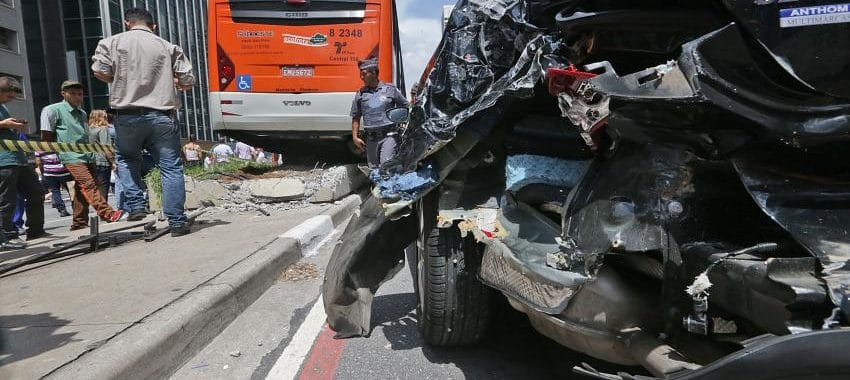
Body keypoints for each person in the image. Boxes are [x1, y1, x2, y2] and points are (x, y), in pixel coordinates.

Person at [91, 7, 195, 237]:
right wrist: (178, 83)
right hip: (162, 115)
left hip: (126, 115)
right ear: (153, 26)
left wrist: (116, 78)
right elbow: (188, 79)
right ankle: (177, 223)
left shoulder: (110, 42)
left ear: (127, 22)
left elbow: (99, 71)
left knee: (127, 159)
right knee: (170, 168)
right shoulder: (168, 46)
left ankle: (136, 205)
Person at [41, 80, 123, 231]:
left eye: (80, 94)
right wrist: (57, 151)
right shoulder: (52, 110)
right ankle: (108, 213)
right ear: (63, 94)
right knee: (88, 183)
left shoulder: (82, 112)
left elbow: (85, 135)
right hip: (70, 155)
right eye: (73, 94)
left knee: (82, 188)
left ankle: (79, 223)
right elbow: (46, 135)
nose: (77, 97)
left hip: (87, 154)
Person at [0, 76, 46, 248]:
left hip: (17, 159)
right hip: (3, 161)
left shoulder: (3, 107)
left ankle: (35, 230)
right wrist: (4, 124)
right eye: (9, 96)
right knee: (6, 200)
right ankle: (6, 237)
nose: (11, 99)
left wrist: (13, 124)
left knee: (36, 192)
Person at [350, 58, 409, 168]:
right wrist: (355, 137)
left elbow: (405, 106)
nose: (361, 77)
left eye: (364, 74)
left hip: (389, 137)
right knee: (374, 170)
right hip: (371, 139)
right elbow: (356, 116)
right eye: (360, 74)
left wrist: (403, 120)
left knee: (386, 166)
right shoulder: (360, 94)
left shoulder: (390, 89)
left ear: (373, 72)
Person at [88, 109, 115, 201]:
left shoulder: (88, 130)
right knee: (103, 188)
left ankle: (99, 210)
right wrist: (113, 162)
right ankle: (104, 212)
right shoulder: (103, 129)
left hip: (91, 161)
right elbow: (106, 147)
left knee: (95, 188)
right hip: (102, 161)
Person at [35, 151, 71, 217]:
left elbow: (38, 162)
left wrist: (43, 171)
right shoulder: (55, 145)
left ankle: (62, 210)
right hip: (63, 171)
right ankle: (76, 207)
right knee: (71, 190)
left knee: (55, 191)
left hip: (49, 173)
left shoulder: (38, 148)